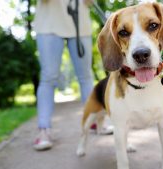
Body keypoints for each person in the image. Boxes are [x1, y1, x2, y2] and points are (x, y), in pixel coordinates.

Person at [33, 0, 95, 151]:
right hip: (49, 23)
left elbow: (90, 2)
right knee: (48, 77)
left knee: (86, 76)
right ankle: (44, 130)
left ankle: (96, 120)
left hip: (80, 24)